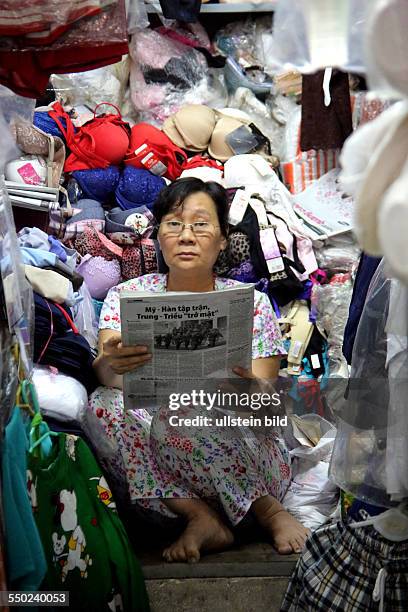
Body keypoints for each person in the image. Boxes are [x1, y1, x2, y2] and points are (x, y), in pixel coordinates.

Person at [89, 178, 309, 563]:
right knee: (101, 406)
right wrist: (111, 361)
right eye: (174, 224)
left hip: (248, 462)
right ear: (158, 235)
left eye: (200, 224)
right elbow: (110, 378)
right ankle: (200, 518)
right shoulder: (126, 296)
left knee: (192, 403)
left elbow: (265, 403)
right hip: (167, 489)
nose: (186, 235)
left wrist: (246, 388)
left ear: (223, 238)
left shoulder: (252, 304)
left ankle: (270, 510)